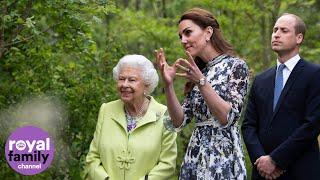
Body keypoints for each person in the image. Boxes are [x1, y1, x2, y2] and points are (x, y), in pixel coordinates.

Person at [155, 8, 249, 179]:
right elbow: (179, 121)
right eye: (180, 36)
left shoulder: (236, 66)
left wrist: (201, 82)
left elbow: (227, 117)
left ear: (208, 32)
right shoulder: (199, 72)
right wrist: (168, 85)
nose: (183, 40)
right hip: (195, 157)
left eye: (188, 32)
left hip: (223, 157)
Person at [242, 13, 320, 180]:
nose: (276, 34)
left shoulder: (314, 74)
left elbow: (312, 124)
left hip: (300, 170)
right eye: (274, 30)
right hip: (262, 173)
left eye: (284, 30)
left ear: (299, 38)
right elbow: (248, 126)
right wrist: (262, 161)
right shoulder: (260, 80)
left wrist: (276, 160)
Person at [84, 55, 177, 180]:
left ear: (147, 85)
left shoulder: (165, 114)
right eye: (121, 79)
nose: (124, 84)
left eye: (132, 80)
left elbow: (168, 164)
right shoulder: (106, 110)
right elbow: (92, 158)